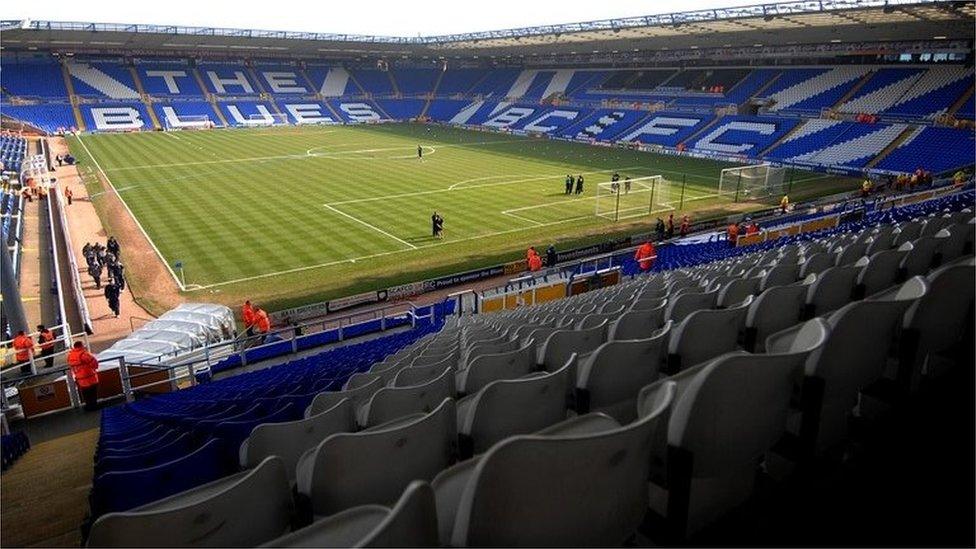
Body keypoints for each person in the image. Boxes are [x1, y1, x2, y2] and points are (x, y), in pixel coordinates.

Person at [67, 341, 99, 411]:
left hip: (80, 378)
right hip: (89, 377)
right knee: (92, 392)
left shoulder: (70, 355)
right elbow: (94, 363)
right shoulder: (84, 354)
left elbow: (71, 366)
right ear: (81, 346)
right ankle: (94, 406)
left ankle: (88, 406)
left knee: (85, 393)